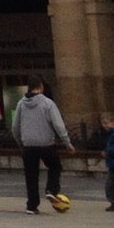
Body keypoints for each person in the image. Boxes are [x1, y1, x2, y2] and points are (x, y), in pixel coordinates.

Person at [12, 75, 72, 215]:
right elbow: (58, 125)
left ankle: (31, 206)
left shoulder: (21, 104)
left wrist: (21, 143)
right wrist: (67, 143)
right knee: (55, 166)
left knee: (31, 175)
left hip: (28, 146)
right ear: (41, 86)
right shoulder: (48, 103)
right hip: (46, 144)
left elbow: (15, 127)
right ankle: (51, 189)